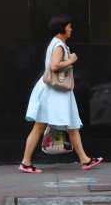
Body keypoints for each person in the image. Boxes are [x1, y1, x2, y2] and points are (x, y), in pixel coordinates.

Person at [20, 14, 103, 173]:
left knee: (70, 126)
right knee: (44, 126)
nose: (71, 29)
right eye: (69, 27)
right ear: (63, 28)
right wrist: (71, 60)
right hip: (55, 93)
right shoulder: (59, 45)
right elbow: (54, 66)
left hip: (56, 92)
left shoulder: (56, 43)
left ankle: (85, 160)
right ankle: (25, 162)